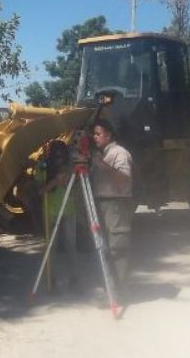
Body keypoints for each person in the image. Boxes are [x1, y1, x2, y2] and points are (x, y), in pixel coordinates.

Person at [90, 119, 134, 288]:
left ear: (108, 135)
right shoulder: (103, 154)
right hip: (102, 203)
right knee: (104, 248)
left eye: (98, 134)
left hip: (117, 204)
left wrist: (102, 165)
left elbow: (124, 179)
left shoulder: (119, 153)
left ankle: (118, 291)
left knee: (117, 248)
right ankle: (110, 286)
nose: (95, 137)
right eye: (94, 134)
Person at [37, 140, 80, 292]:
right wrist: (54, 182)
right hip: (51, 211)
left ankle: (75, 278)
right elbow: (40, 191)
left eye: (62, 158)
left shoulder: (71, 167)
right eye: (56, 158)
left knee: (71, 246)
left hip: (69, 211)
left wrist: (66, 182)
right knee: (51, 247)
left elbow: (77, 191)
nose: (59, 161)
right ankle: (51, 279)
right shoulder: (43, 166)